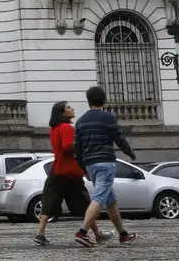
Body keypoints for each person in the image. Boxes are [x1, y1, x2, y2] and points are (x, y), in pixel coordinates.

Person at [33, 101, 110, 246]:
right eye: (68, 108)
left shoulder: (54, 128)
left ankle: (40, 233)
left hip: (57, 170)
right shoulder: (66, 127)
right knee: (84, 202)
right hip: (70, 171)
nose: (72, 109)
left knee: (49, 199)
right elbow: (68, 146)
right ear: (62, 113)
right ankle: (96, 234)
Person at [74, 86, 137, 246]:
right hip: (105, 163)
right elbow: (119, 138)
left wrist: (83, 168)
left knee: (110, 201)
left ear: (88, 102)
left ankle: (123, 234)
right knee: (99, 198)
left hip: (90, 164)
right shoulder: (108, 118)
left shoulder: (80, 122)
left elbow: (77, 148)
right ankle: (82, 232)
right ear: (104, 100)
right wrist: (130, 153)